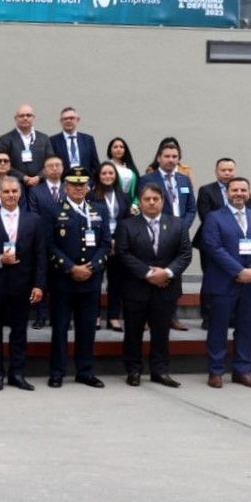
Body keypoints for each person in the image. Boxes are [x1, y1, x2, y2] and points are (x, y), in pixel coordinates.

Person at [114, 183, 191, 388]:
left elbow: (185, 254)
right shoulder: (127, 225)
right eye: (147, 199)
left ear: (162, 202)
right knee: (133, 331)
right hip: (136, 287)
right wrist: (148, 273)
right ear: (140, 201)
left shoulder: (177, 224)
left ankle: (160, 370)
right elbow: (123, 253)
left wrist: (166, 273)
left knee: (161, 332)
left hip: (166, 287)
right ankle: (133, 370)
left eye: (155, 199)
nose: (151, 202)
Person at [200, 177, 251, 389]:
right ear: (227, 193)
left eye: (243, 190)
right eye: (235, 190)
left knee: (247, 328)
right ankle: (216, 371)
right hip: (224, 282)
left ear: (248, 193)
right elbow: (213, 247)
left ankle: (242, 370)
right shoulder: (214, 218)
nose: (239, 193)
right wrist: (238, 271)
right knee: (218, 327)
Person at [0, 177, 45, 391]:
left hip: (22, 285)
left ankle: (17, 373)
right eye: (6, 192)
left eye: (14, 191)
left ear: (20, 194)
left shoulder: (34, 220)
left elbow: (40, 255)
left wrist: (39, 285)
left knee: (19, 332)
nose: (10, 195)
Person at [47, 166, 110, 389]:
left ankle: (85, 371)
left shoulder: (99, 210)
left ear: (88, 187)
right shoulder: (55, 211)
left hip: (90, 280)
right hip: (64, 280)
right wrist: (71, 267)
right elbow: (50, 245)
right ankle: (57, 371)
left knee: (87, 329)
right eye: (74, 185)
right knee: (61, 328)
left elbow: (105, 244)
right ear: (66, 187)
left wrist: (91, 267)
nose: (78, 188)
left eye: (82, 184)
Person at [138, 140, 197, 332]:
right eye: (167, 156)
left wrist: (181, 227)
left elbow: (191, 208)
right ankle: (147, 317)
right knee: (153, 273)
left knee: (175, 275)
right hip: (156, 233)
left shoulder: (184, 180)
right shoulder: (148, 179)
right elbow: (146, 206)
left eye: (174, 157)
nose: (171, 160)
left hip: (179, 234)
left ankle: (172, 316)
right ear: (159, 158)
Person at [196, 158, 251, 330]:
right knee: (211, 279)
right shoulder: (206, 190)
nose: (227, 173)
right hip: (211, 243)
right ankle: (207, 316)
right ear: (216, 171)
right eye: (223, 170)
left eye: (230, 170)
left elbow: (248, 216)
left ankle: (232, 316)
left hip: (237, 243)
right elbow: (205, 216)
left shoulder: (241, 190)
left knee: (234, 277)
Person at [92, 161, 132, 331]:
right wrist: (107, 240)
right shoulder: (91, 195)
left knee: (116, 282)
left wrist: (117, 240)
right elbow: (91, 221)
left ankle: (114, 317)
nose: (108, 176)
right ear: (98, 176)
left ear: (115, 176)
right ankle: (95, 316)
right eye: (104, 173)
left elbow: (127, 221)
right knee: (96, 281)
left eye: (111, 173)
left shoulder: (124, 196)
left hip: (119, 244)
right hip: (98, 244)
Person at [0, 104, 51, 189]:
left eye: (28, 115)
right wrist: (23, 177)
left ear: (33, 118)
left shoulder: (44, 138)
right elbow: (2, 163)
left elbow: (50, 162)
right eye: (21, 116)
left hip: (40, 185)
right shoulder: (5, 139)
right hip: (15, 186)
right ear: (16, 118)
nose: (25, 118)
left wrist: (39, 177)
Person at [49, 107, 100, 177]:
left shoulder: (88, 140)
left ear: (78, 120)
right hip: (63, 183)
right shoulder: (52, 141)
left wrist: (90, 184)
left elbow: (95, 165)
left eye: (71, 118)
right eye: (65, 119)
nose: (68, 121)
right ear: (61, 121)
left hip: (85, 183)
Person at [105, 137, 138, 206]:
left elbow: (136, 190)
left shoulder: (130, 167)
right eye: (115, 147)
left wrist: (135, 205)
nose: (118, 149)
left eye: (121, 147)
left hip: (130, 204)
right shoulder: (107, 167)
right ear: (110, 150)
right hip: (113, 202)